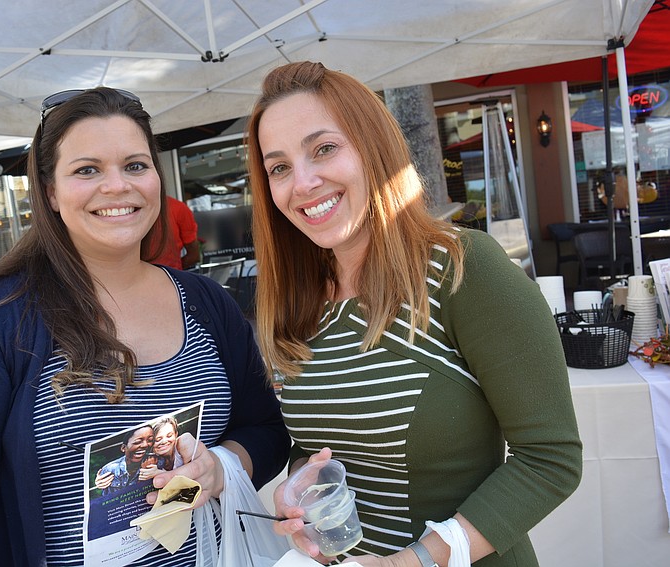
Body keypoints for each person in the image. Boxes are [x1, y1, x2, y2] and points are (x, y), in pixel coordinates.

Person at [0, 87, 289, 567]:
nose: (118, 186)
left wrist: (220, 468)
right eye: (87, 170)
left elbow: (265, 430)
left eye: (135, 165)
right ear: (50, 193)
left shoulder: (204, 301)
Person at [246, 61, 582, 566]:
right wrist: (300, 485)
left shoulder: (462, 268)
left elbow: (550, 459)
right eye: (279, 167)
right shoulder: (300, 302)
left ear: (374, 147)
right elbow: (325, 443)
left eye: (324, 149)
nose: (304, 182)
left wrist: (417, 561)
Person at [94, 425, 159, 494]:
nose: (145, 445)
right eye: (137, 442)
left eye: (150, 440)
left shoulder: (156, 463)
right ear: (123, 448)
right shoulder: (111, 469)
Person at [154, 195, 200, 270]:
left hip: (169, 275)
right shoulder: (134, 210)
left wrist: (174, 270)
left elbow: (194, 256)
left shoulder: (178, 208)